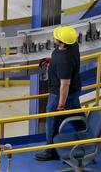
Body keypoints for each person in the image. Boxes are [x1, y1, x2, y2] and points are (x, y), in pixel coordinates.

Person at [35, 25, 82, 162]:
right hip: (74, 89)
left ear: (62, 42)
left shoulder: (64, 60)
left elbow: (64, 84)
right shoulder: (72, 46)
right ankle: (90, 136)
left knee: (52, 120)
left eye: (56, 37)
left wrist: (61, 104)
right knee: (75, 113)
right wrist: (50, 60)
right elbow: (61, 59)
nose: (54, 37)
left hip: (60, 94)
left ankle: (51, 151)